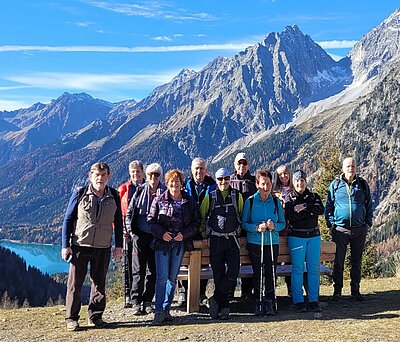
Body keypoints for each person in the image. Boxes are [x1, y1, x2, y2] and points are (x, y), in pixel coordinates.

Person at [61, 162, 123, 331]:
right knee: (75, 284)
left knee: (99, 283)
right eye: (97, 175)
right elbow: (68, 220)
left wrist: (119, 246)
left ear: (108, 177)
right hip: (80, 245)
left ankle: (95, 317)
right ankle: (71, 318)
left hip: (103, 247)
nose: (100, 178)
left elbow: (118, 223)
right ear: (90, 176)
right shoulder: (80, 193)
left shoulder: (114, 196)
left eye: (103, 175)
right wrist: (65, 245)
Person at [148, 169, 200, 325]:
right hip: (162, 244)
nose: (174, 184)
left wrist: (184, 234)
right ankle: (158, 312)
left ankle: (166, 309)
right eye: (171, 181)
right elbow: (151, 221)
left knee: (172, 278)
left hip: (179, 244)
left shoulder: (189, 201)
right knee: (162, 278)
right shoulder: (159, 200)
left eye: (177, 181)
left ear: (181, 183)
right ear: (167, 183)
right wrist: (162, 233)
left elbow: (196, 222)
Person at [325, 157, 373, 301]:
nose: (350, 168)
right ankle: (337, 291)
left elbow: (369, 205)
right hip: (340, 229)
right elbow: (329, 206)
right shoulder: (335, 185)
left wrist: (367, 223)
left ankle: (355, 290)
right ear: (343, 168)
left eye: (352, 166)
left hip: (359, 229)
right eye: (348, 166)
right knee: (338, 261)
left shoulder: (362, 185)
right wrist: (332, 224)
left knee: (356, 261)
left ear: (356, 168)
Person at [200, 168, 243, 320]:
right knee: (218, 275)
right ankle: (224, 306)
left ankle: (215, 299)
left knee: (233, 271)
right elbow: (202, 216)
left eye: (226, 178)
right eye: (220, 179)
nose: (223, 182)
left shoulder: (237, 196)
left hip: (232, 240)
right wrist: (204, 235)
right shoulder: (210, 197)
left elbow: (241, 214)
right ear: (216, 181)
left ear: (230, 179)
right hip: (216, 240)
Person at [242, 169, 285, 316]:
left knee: (270, 272)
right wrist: (256, 228)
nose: (266, 187)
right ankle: (258, 300)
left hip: (272, 242)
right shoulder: (251, 201)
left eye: (268, 184)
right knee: (258, 272)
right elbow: (244, 224)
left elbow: (282, 224)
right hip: (255, 242)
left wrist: (274, 226)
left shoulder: (276, 201)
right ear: (257, 184)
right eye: (262, 184)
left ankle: (269, 300)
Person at [125, 163, 166, 315]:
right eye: (150, 174)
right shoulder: (140, 191)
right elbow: (129, 213)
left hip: (157, 237)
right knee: (138, 270)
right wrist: (131, 231)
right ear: (146, 176)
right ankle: (136, 301)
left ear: (160, 176)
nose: (153, 177)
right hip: (140, 235)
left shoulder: (165, 193)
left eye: (156, 174)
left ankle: (148, 300)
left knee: (153, 271)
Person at [176, 157, 217, 307]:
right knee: (183, 260)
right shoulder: (185, 185)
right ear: (191, 170)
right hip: (187, 228)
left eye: (201, 168)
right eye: (196, 169)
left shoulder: (213, 185)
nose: (199, 171)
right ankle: (183, 292)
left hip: (205, 228)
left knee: (204, 262)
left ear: (206, 170)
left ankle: (200, 294)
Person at [284, 170, 325, 313]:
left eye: (302, 180)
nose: (300, 183)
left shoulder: (314, 196)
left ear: (306, 182)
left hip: (313, 237)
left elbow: (321, 210)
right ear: (293, 183)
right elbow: (291, 216)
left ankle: (313, 300)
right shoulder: (289, 198)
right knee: (298, 269)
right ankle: (299, 301)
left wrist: (304, 208)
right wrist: (310, 212)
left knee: (314, 269)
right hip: (296, 237)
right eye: (297, 181)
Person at [117, 160, 145, 308]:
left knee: (141, 265)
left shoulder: (148, 187)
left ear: (142, 172)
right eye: (133, 172)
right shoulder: (123, 189)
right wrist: (121, 229)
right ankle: (128, 294)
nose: (136, 174)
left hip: (143, 233)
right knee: (127, 264)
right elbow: (117, 212)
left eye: (138, 172)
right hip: (127, 232)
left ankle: (142, 293)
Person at [230, 152, 257, 299]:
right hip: (233, 226)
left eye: (244, 163)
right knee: (233, 259)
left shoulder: (254, 181)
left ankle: (247, 291)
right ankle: (231, 289)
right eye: (239, 163)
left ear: (248, 165)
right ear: (235, 164)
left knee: (249, 257)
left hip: (249, 225)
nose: (242, 166)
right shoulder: (229, 180)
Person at [273, 165, 294, 297]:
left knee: (290, 260)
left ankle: (290, 288)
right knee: (273, 260)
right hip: (278, 229)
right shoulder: (274, 191)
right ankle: (272, 289)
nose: (283, 176)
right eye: (280, 174)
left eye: (286, 173)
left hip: (291, 229)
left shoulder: (295, 189)